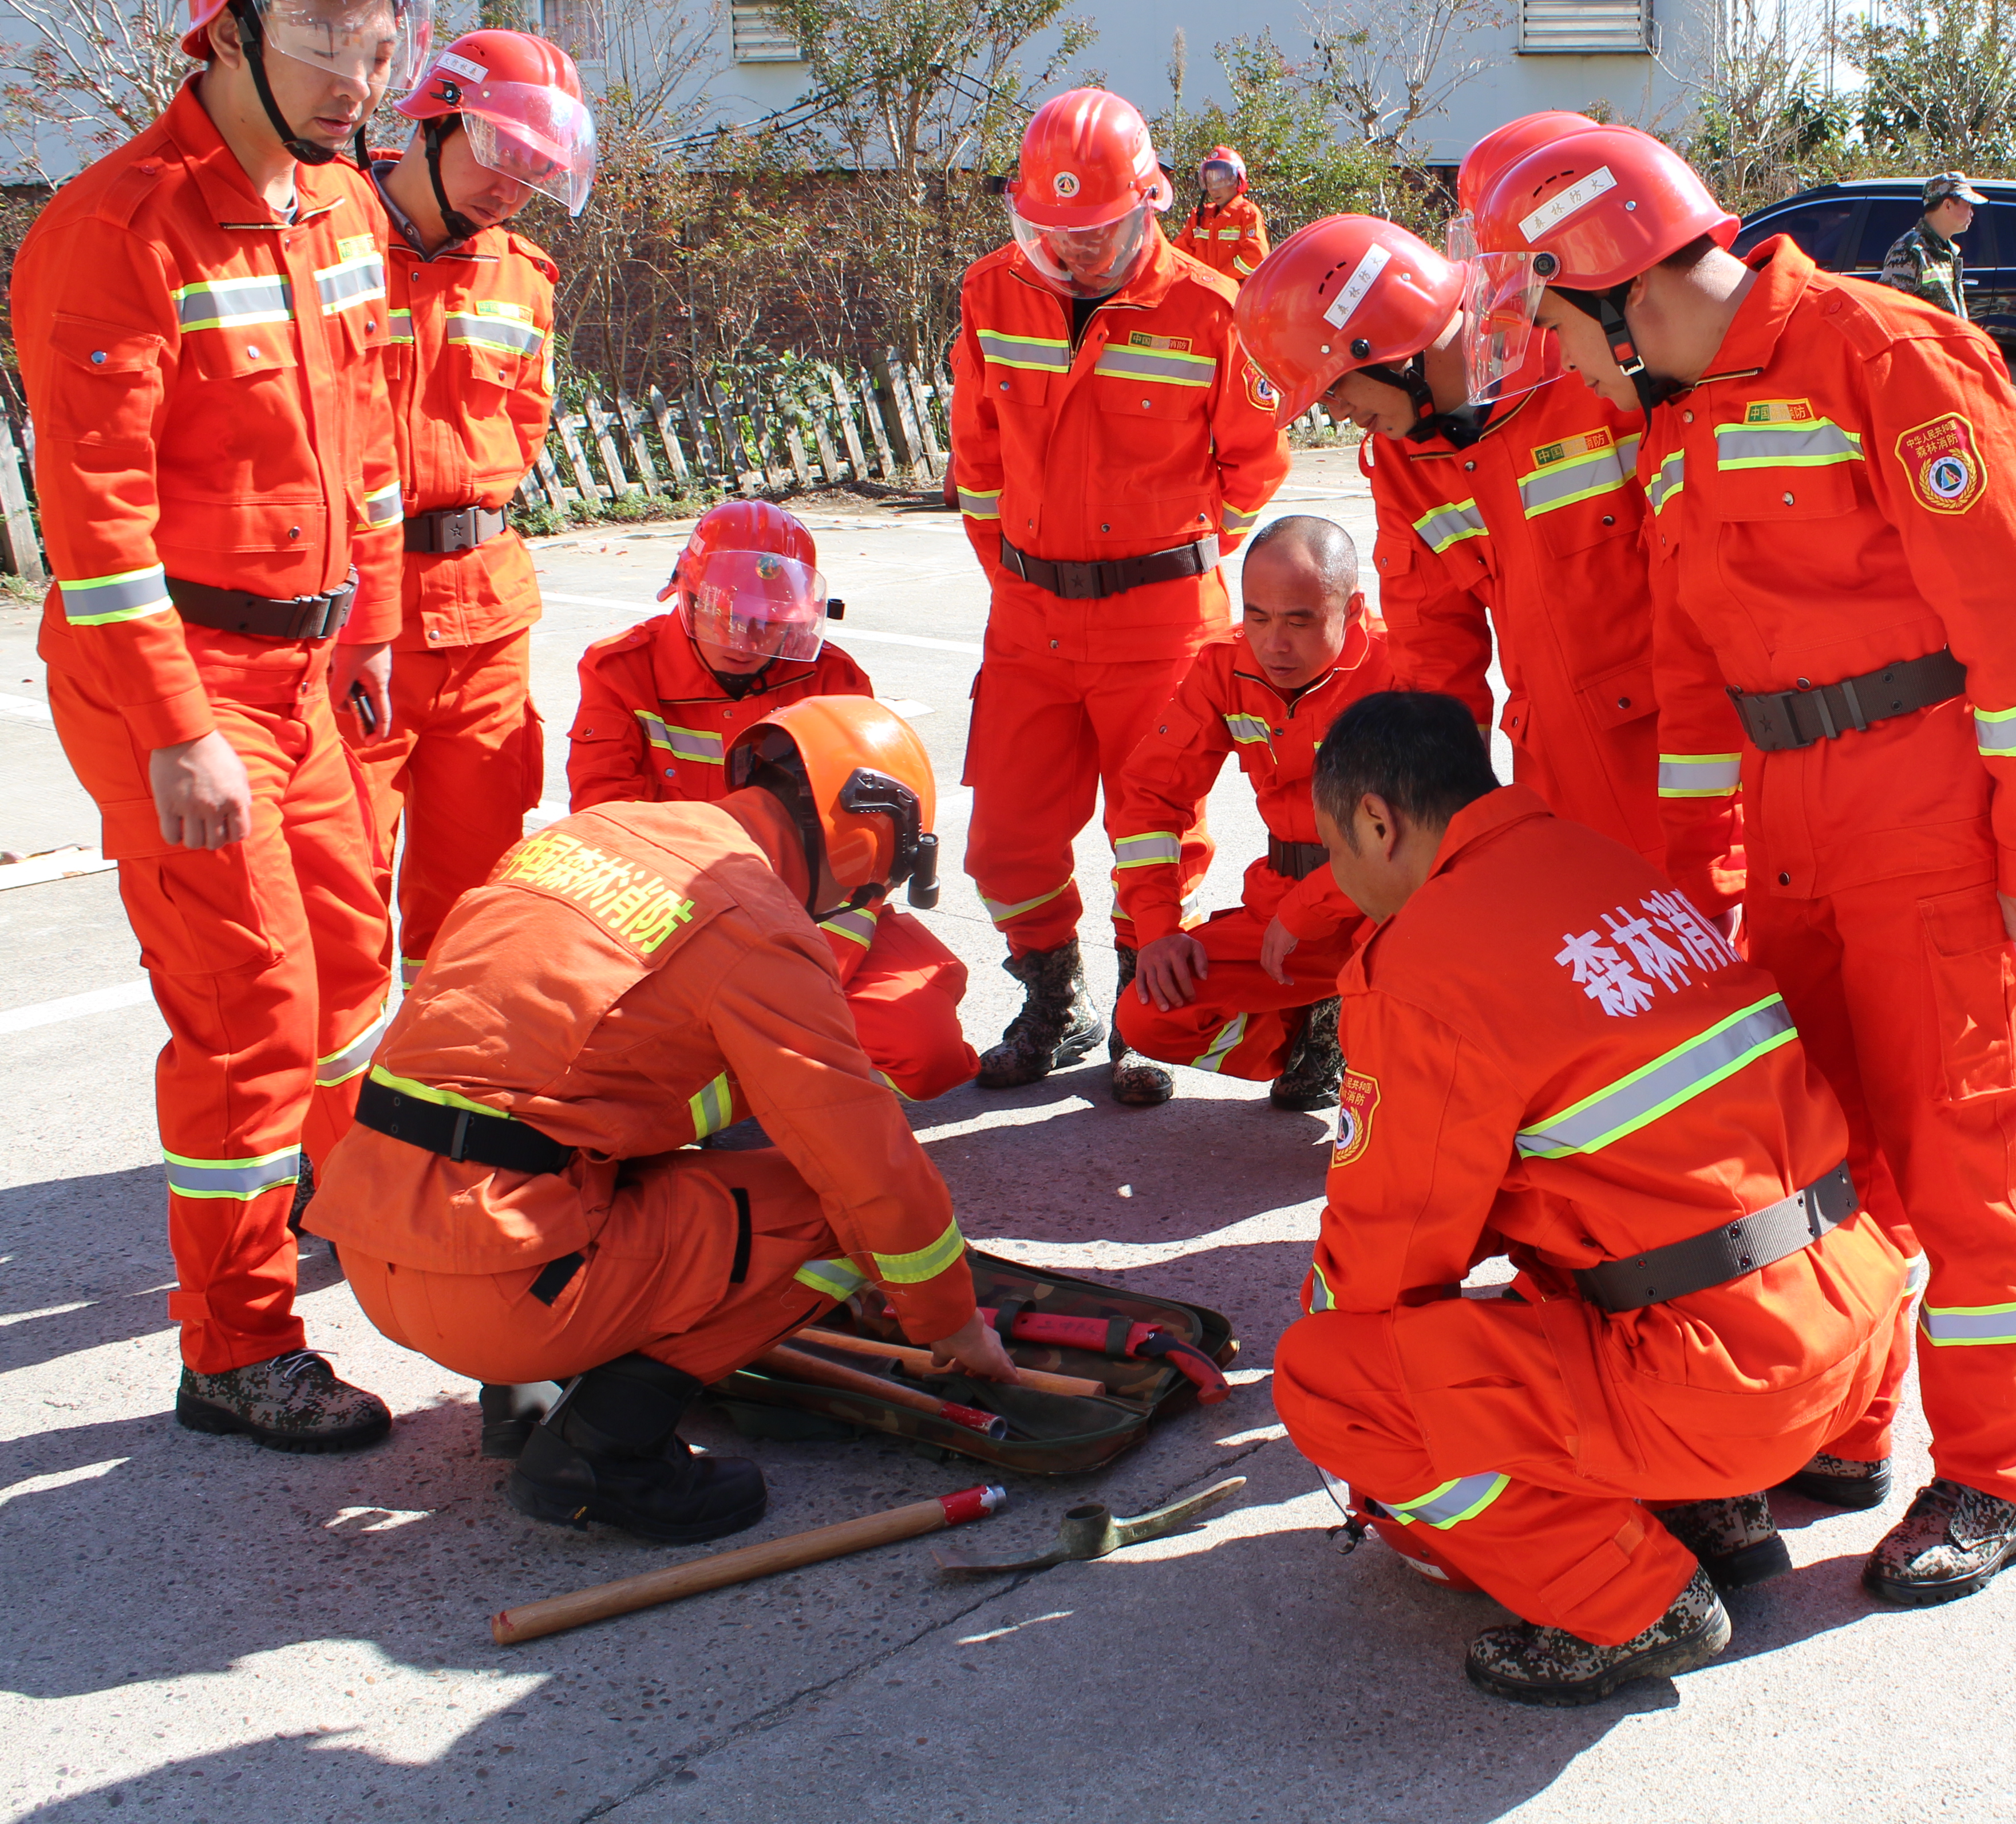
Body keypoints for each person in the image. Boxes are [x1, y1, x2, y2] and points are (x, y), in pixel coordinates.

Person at [1480, 125, 2016, 1605]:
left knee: (1963, 1148)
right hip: (1793, 833)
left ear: (1619, 293)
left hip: (1933, 820)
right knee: (1827, 1159)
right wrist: (1698, 885)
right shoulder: (1692, 418)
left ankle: (2000, 1472)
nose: (1562, 368)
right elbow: (1697, 680)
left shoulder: (1886, 357)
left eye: (1562, 328)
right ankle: (1850, 1424)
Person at [16, 0, 430, 1451]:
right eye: (329, 27)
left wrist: (373, 629)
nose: (364, 64)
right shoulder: (116, 232)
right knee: (251, 1010)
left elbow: (374, 446)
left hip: (312, 672)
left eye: (379, 27)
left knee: (350, 977)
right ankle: (233, 1345)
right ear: (232, 22)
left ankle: (335, 1217)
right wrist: (182, 729)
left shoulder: (339, 204)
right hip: (176, 683)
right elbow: (100, 534)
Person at [1272, 692, 1909, 1704]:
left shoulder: (1423, 962)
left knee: (1332, 1375)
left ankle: (1629, 1601)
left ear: (1377, 822)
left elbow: (1382, 1266)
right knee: (1574, 1244)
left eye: (1333, 852)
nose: (1340, 883)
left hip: (1728, 1385)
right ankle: (1715, 1507)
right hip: (1855, 1323)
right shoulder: (1596, 863)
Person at [305, 696, 1013, 1539]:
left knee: (570, 1127)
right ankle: (605, 1452)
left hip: (376, 1243)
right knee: (834, 1215)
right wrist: (951, 1321)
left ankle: (528, 1395)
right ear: (871, 836)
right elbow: (874, 1176)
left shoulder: (583, 839)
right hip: (503, 1293)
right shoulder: (756, 923)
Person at [948, 88, 1291, 1088]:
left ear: (1150, 202)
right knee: (1005, 841)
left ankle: (1146, 1017)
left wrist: (1159, 564)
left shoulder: (1211, 309)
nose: (1073, 253)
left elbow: (1252, 471)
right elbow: (976, 465)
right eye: (1050, 232)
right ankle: (1051, 1002)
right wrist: (1027, 574)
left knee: (1155, 836)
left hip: (1162, 619)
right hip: (1028, 615)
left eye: (1095, 231)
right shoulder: (990, 292)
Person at [1235, 205, 1718, 883]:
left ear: (1393, 345)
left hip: (1690, 760)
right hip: (1557, 773)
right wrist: (1449, 832)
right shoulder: (1404, 460)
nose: (1336, 413)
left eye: (1336, 386)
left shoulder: (1587, 371)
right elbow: (1436, 659)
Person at [566, 500, 975, 1100]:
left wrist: (809, 973)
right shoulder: (622, 672)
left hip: (816, 921)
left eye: (769, 623)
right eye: (729, 617)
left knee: (926, 1050)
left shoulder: (835, 680)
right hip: (673, 921)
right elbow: (606, 834)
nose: (746, 640)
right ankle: (736, 1089)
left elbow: (871, 854)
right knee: (593, 1054)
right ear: (689, 598)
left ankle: (788, 1084)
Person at [353, 27, 593, 982]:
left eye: (537, 170)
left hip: (485, 614)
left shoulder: (522, 278)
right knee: (341, 884)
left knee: (477, 897)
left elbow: (519, 435)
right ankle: (339, 1123)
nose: (511, 186)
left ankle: (444, 1101)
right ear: (434, 119)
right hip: (357, 613)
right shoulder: (325, 240)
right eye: (498, 153)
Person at [1104, 516, 1393, 1109]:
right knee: (1148, 1017)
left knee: (1406, 1025)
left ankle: (1364, 1055)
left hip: (1385, 911)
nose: (1273, 643)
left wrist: (1311, 909)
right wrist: (1158, 932)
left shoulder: (1399, 670)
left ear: (1354, 608)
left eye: (1299, 620)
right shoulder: (1224, 668)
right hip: (1282, 906)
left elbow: (1414, 834)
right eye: (1257, 616)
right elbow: (1152, 797)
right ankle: (1302, 1043)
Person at [1879, 172, 1982, 320]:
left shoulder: (1947, 251)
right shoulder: (1910, 250)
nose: (1972, 213)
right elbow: (1891, 314)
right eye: (1968, 205)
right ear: (1947, 205)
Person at [1174, 144, 1269, 283]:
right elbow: (1178, 255)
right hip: (1204, 295)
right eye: (1210, 182)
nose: (1214, 189)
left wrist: (1218, 280)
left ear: (1237, 180)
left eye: (1221, 181)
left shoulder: (1247, 214)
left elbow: (1256, 256)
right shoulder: (1199, 216)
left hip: (1234, 296)